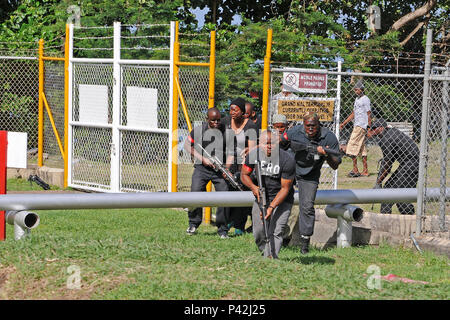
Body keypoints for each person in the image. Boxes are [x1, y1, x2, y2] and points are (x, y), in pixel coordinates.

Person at [281, 112, 342, 254]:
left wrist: (325, 154)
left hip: (310, 174)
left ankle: (304, 243)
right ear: (303, 124)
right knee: (282, 200)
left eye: (313, 126)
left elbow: (335, 165)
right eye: (307, 125)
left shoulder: (328, 137)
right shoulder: (295, 132)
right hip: (290, 169)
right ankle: (280, 237)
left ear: (318, 124)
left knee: (307, 206)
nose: (310, 129)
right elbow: (281, 143)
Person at [241, 130, 295, 259]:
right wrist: (254, 187)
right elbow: (244, 175)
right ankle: (265, 251)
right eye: (266, 143)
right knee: (259, 231)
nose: (269, 146)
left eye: (273, 143)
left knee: (276, 230)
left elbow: (285, 188)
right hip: (261, 196)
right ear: (261, 143)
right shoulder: (254, 155)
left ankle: (271, 257)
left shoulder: (287, 159)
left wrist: (271, 207)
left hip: (282, 200)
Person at [184, 107, 230, 238]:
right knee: (195, 193)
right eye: (213, 120)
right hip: (201, 168)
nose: (216, 123)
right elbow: (187, 146)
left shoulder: (226, 131)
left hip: (219, 170)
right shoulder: (199, 130)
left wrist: (226, 168)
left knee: (224, 197)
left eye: (218, 120)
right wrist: (202, 158)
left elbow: (231, 153)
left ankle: (222, 229)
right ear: (207, 119)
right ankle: (193, 224)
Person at [367, 118, 419, 214]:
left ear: (381, 128)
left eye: (374, 128)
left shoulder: (386, 139)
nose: (371, 131)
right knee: (392, 193)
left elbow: (388, 164)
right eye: (371, 128)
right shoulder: (390, 133)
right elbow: (390, 159)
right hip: (409, 164)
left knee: (398, 197)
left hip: (410, 164)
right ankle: (387, 220)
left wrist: (378, 182)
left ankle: (409, 222)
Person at [222, 97, 258, 235]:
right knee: (227, 191)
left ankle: (239, 226)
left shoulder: (250, 126)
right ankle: (228, 220)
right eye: (230, 109)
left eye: (235, 110)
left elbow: (252, 149)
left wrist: (244, 168)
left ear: (243, 112)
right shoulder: (225, 122)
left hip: (244, 162)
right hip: (228, 160)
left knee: (241, 191)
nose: (232, 112)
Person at [340, 80, 371, 177]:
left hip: (361, 125)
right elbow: (353, 113)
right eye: (355, 90)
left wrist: (369, 127)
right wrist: (344, 123)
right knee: (362, 148)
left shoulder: (365, 99)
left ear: (362, 89)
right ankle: (365, 171)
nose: (355, 92)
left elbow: (369, 113)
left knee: (351, 145)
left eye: (357, 90)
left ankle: (355, 170)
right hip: (357, 124)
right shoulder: (357, 99)